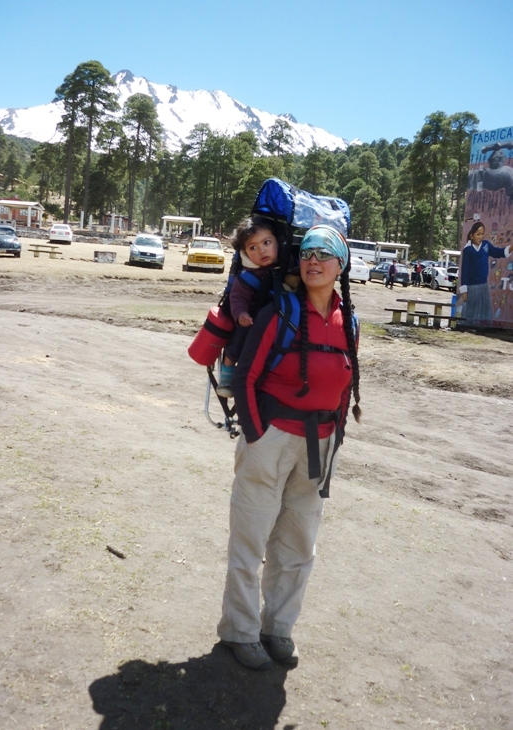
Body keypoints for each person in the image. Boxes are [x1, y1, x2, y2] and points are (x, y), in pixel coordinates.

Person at [217, 224, 361, 670]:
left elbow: (345, 381)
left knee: (298, 544)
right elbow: (247, 378)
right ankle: (240, 631)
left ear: (341, 265)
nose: (313, 261)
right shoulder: (277, 313)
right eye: (307, 254)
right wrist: (257, 434)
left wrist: (336, 432)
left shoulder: (348, 320)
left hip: (319, 445)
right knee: (251, 538)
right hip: (272, 439)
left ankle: (277, 628)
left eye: (325, 254)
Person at [217, 217, 280, 398]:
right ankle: (227, 375)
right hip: (250, 322)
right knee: (237, 340)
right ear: (244, 253)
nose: (262, 250)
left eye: (267, 242)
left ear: (277, 241)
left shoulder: (291, 268)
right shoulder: (247, 277)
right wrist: (240, 314)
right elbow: (236, 298)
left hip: (277, 325)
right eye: (253, 247)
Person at [458, 221, 513, 323]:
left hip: (483, 286)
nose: (480, 237)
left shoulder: (486, 245)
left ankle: (481, 328)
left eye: (482, 234)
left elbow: (497, 252)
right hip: (471, 287)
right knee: (471, 311)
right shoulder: (468, 250)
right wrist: (464, 290)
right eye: (478, 234)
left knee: (483, 311)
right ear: (471, 235)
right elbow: (464, 271)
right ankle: (469, 327)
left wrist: (510, 248)